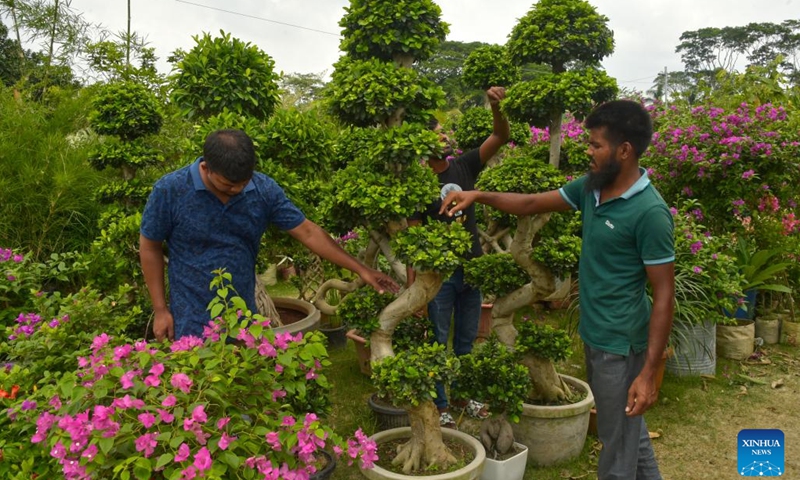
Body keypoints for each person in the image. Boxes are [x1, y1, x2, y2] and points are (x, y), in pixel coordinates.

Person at [440, 100, 674, 479]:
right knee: (629, 433)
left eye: (596, 145)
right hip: (596, 337)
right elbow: (531, 203)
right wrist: (477, 195)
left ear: (624, 150)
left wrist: (648, 372)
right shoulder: (592, 189)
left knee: (617, 452)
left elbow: (664, 294)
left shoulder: (649, 212)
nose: (589, 151)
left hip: (622, 344)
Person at [140, 129, 399, 342]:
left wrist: (361, 269)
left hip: (244, 313)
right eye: (229, 184)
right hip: (190, 316)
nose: (239, 189)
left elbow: (307, 231)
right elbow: (150, 246)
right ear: (206, 167)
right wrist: (161, 309)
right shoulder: (170, 190)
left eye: (244, 182)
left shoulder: (262, 189)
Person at [407, 86, 510, 428]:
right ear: (423, 145)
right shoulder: (418, 185)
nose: (446, 137)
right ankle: (441, 404)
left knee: (466, 340)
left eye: (444, 132)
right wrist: (413, 291)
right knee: (438, 341)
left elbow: (500, 135)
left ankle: (466, 394)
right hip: (440, 276)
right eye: (438, 135)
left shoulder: (464, 166)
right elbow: (413, 238)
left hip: (472, 268)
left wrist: (498, 106)